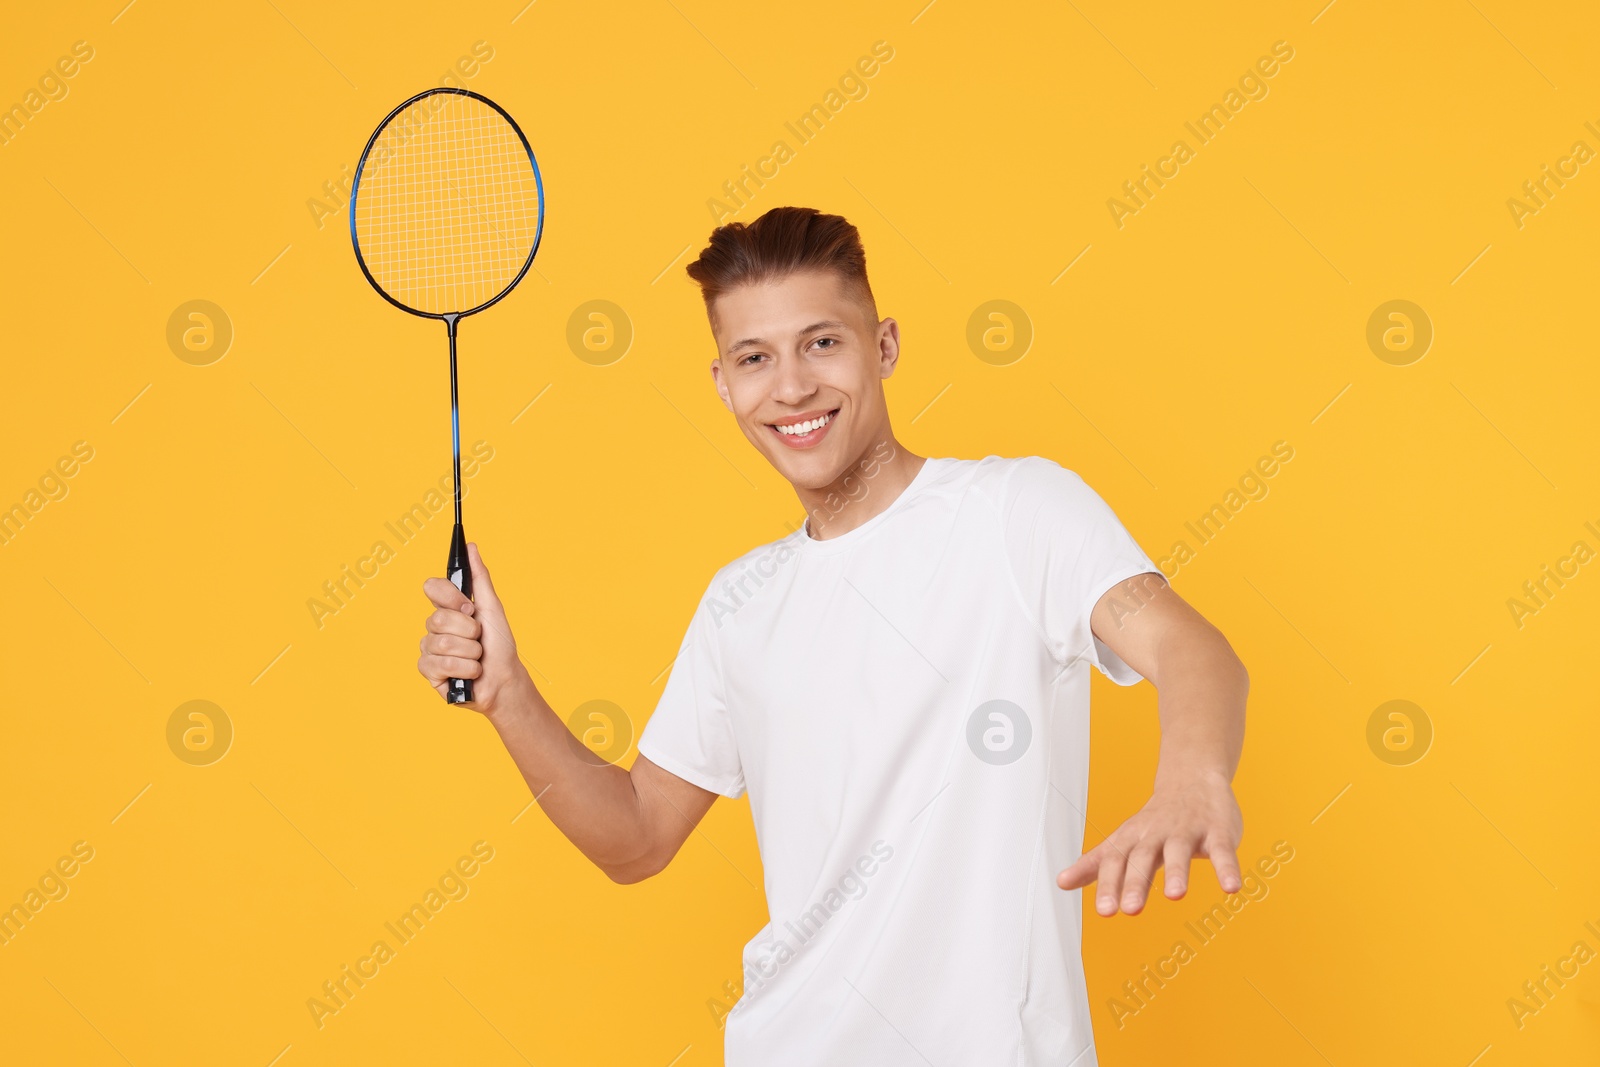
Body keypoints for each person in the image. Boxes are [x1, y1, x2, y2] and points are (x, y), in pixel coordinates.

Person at [417, 206, 1248, 1065]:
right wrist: (508, 697)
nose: (791, 388)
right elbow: (634, 839)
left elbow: (1192, 648)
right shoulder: (739, 601)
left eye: (821, 343)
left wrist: (1191, 776)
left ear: (882, 346)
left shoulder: (1017, 512)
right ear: (722, 383)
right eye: (754, 359)